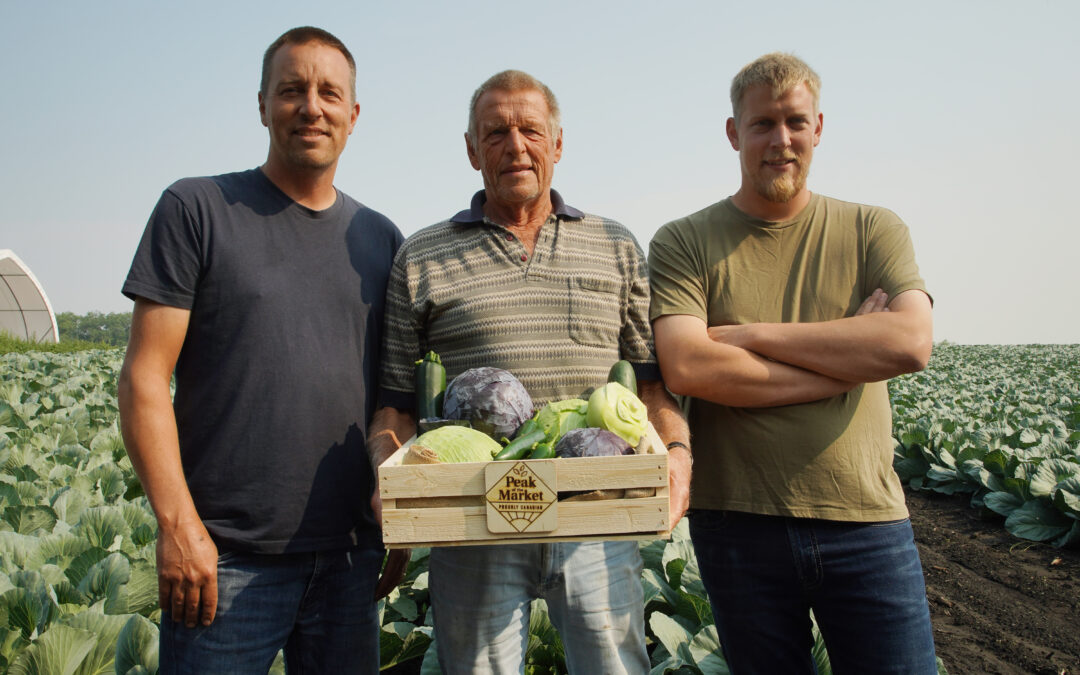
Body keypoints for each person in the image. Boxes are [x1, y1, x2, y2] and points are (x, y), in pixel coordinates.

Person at [368, 69, 692, 675]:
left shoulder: (615, 245)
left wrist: (676, 453)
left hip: (598, 512)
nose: (515, 146)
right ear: (471, 150)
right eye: (495, 133)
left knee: (615, 666)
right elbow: (394, 408)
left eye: (530, 130)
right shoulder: (421, 257)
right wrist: (386, 478)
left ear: (558, 143)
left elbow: (651, 387)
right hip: (472, 523)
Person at [117, 26, 403, 673]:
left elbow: (393, 399)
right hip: (225, 562)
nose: (312, 107)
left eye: (330, 93)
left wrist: (405, 507)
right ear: (262, 104)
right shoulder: (197, 209)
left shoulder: (380, 238)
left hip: (349, 560)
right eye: (291, 90)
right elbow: (142, 379)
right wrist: (178, 527)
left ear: (354, 115)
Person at [648, 52, 937, 674]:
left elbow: (911, 342)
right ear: (734, 133)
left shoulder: (872, 229)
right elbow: (691, 368)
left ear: (819, 126)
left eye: (795, 122)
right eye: (762, 124)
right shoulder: (684, 240)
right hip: (737, 525)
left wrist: (748, 334)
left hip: (866, 522)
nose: (781, 140)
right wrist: (853, 354)